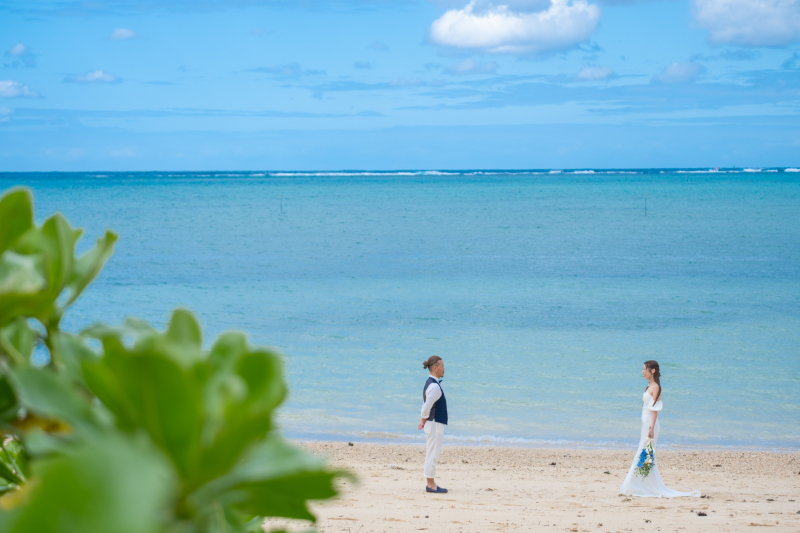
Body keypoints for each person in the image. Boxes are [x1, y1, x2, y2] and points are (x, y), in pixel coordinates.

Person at [619, 360, 700, 498]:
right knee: (645, 454)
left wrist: (651, 428)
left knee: (644, 453)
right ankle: (640, 484)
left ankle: (632, 485)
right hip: (646, 424)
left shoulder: (656, 387)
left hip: (651, 425)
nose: (642, 371)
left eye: (645, 369)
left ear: (653, 371)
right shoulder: (649, 385)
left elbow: (655, 410)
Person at [418, 355, 448, 493]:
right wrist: (423, 418)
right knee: (433, 453)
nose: (444, 368)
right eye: (442, 366)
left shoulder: (432, 383)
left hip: (433, 423)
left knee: (432, 452)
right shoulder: (434, 386)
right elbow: (425, 407)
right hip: (435, 424)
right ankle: (430, 484)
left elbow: (426, 406)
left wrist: (423, 419)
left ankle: (431, 482)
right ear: (435, 368)